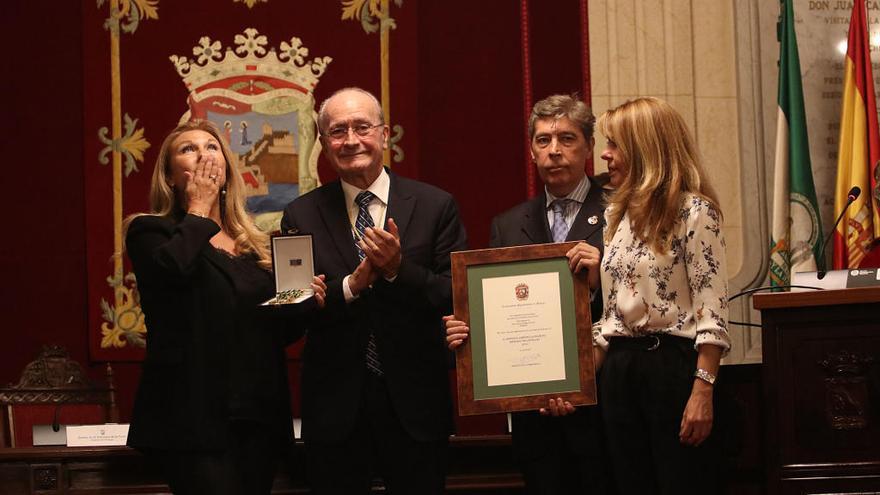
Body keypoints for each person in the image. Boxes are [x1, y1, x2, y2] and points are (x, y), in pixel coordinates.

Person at [280, 87, 468, 494]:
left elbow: (458, 293)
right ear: (323, 143)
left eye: (362, 127)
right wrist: (350, 286)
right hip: (334, 410)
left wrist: (399, 269)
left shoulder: (435, 205)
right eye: (337, 131)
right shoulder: (301, 214)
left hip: (415, 406)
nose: (350, 140)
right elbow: (290, 316)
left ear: (384, 135)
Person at [124, 120, 326, 495]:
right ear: (169, 176)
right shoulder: (151, 232)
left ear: (228, 168)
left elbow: (273, 331)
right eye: (188, 149)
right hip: (193, 418)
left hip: (258, 414)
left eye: (212, 147)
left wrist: (306, 303)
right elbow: (172, 274)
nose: (203, 154)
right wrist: (198, 208)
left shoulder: (254, 245)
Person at [444, 94, 613, 494]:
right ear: (532, 151)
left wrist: (601, 274)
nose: (554, 150)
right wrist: (468, 332)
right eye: (543, 140)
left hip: (603, 408)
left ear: (589, 147)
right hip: (532, 415)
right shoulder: (507, 224)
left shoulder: (619, 211)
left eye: (567, 138)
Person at [594, 97, 730, 494]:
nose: (605, 154)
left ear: (645, 148)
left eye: (615, 144)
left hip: (670, 370)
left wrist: (703, 390)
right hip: (619, 372)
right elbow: (611, 318)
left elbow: (712, 311)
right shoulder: (616, 218)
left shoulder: (695, 212)